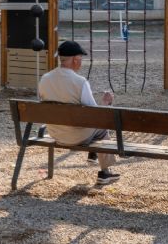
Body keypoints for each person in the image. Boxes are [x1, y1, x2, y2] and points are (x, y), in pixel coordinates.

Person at [38, 40, 120, 185]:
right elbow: (95, 115)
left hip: (55, 133)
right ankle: (104, 172)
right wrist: (106, 103)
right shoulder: (80, 82)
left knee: (97, 129)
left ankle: (94, 155)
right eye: (81, 59)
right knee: (102, 129)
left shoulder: (44, 79)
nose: (81, 63)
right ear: (75, 60)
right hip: (77, 136)